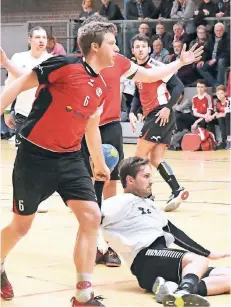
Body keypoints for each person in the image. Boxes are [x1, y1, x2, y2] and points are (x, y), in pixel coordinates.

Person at [0, 19, 204, 306]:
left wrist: (98, 161)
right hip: (35, 156)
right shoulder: (63, 65)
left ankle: (83, 296)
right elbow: (22, 82)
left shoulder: (101, 82)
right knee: (21, 227)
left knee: (91, 217)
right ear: (95, 46)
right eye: (112, 42)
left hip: (70, 157)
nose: (117, 48)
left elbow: (91, 124)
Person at [101, 157, 231, 307]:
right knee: (198, 261)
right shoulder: (119, 202)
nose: (151, 181)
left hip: (164, 259)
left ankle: (172, 290)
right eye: (146, 176)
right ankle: (183, 293)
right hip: (144, 258)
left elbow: (173, 232)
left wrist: (207, 252)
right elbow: (94, 216)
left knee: (228, 277)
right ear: (130, 180)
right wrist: (98, 182)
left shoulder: (150, 205)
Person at [129, 34, 189, 212]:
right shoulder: (136, 71)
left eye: (143, 46)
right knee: (155, 158)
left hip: (160, 113)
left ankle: (144, 196)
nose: (140, 49)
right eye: (137, 47)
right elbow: (137, 95)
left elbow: (178, 87)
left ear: (149, 49)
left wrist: (168, 108)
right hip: (155, 115)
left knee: (139, 157)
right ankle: (177, 189)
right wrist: (133, 111)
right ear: (133, 51)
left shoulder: (157, 67)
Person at [3, 26, 52, 213]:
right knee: (23, 159)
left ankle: (41, 198)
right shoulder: (18, 58)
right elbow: (10, 85)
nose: (41, 40)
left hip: (47, 117)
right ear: (29, 39)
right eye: (37, 37)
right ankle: (20, 196)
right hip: (23, 116)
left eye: (44, 37)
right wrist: (8, 110)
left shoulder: (52, 60)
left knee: (44, 158)